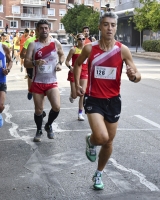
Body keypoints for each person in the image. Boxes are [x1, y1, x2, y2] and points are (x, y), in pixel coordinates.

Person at [73, 12, 141, 190]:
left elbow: (137, 74)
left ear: (116, 27)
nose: (109, 28)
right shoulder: (90, 48)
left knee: (109, 141)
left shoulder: (122, 50)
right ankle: (93, 140)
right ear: (99, 27)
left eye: (112, 25)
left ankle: (99, 173)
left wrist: (134, 76)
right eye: (105, 24)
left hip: (113, 100)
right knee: (102, 137)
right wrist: (76, 85)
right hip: (94, 99)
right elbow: (78, 64)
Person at [24, 19, 65, 142]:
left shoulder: (55, 43)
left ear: (49, 29)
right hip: (37, 82)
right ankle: (39, 130)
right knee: (39, 110)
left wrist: (60, 63)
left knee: (57, 107)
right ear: (37, 30)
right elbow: (26, 63)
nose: (44, 30)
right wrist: (35, 63)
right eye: (41, 28)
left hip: (51, 81)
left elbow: (62, 54)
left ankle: (48, 125)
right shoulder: (33, 45)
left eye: (46, 28)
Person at [65, 33, 88, 121]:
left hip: (84, 73)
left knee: (82, 93)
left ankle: (80, 113)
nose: (81, 41)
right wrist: (70, 67)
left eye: (83, 39)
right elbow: (67, 61)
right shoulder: (73, 49)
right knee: (75, 95)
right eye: (80, 39)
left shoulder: (88, 50)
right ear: (77, 40)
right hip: (74, 73)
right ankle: (72, 95)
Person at [20, 31, 37, 100]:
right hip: (31, 64)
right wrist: (29, 57)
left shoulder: (49, 40)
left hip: (42, 66)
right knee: (30, 77)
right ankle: (30, 91)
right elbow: (22, 55)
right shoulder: (30, 40)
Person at [0, 43, 13, 127]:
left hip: (1, 81)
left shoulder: (3, 47)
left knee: (0, 106)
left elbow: (10, 61)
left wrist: (7, 69)